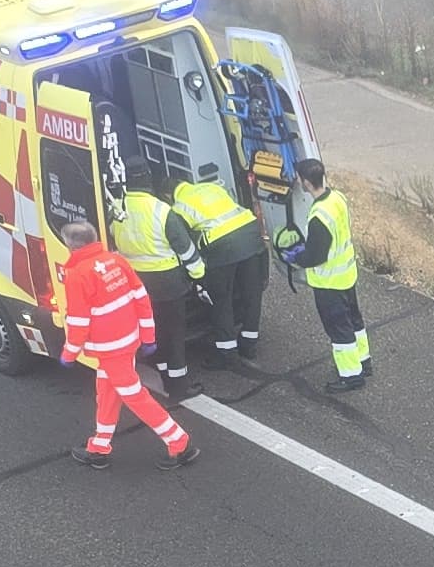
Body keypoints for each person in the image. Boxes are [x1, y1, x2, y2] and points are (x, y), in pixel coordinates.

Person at [55, 216, 193, 468]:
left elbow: (78, 322)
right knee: (106, 394)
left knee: (134, 396)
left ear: (71, 246)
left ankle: (178, 442)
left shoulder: (76, 275)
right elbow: (141, 298)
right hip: (128, 341)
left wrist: (69, 353)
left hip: (109, 349)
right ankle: (99, 447)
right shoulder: (117, 261)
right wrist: (148, 337)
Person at [165, 167, 273, 376]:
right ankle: (249, 345)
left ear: (168, 195)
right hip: (251, 235)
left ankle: (226, 354)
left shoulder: (178, 208)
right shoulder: (210, 188)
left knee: (221, 301)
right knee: (252, 294)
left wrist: (195, 274)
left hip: (224, 248)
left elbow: (184, 243)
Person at [279, 156, 370, 392]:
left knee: (338, 329)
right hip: (347, 274)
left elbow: (316, 256)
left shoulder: (319, 216)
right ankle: (363, 362)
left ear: (306, 183)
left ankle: (351, 376)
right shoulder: (337, 198)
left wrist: (296, 257)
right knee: (354, 321)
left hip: (330, 282)